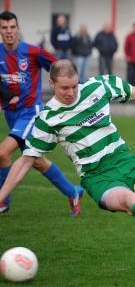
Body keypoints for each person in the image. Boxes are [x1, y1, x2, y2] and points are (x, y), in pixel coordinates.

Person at [0, 59, 135, 277]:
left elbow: (126, 90)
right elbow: (26, 161)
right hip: (97, 176)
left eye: (74, 86)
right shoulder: (48, 118)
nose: (70, 92)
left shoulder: (98, 86)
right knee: (129, 202)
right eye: (64, 88)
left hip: (126, 160)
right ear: (52, 84)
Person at [0, 11, 83, 215]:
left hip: (31, 112)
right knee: (36, 160)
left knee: (2, 153)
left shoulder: (33, 52)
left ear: (18, 29)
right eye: (4, 28)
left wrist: (71, 93)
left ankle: (3, 200)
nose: (9, 31)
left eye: (12, 27)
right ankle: (72, 191)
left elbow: (59, 69)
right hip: (10, 114)